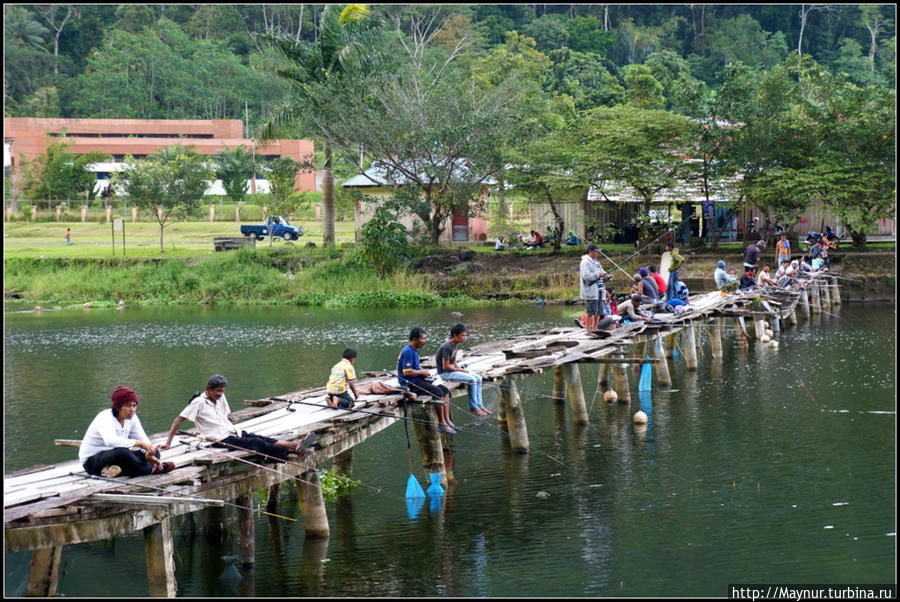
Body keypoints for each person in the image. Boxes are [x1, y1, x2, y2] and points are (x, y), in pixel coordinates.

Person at [161, 374, 303, 462]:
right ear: (209, 389)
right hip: (219, 439)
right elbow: (178, 420)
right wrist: (168, 443)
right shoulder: (198, 402)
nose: (221, 394)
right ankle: (290, 450)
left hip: (231, 431)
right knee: (256, 443)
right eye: (218, 391)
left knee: (258, 437)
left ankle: (290, 444)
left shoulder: (220, 397)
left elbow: (224, 416)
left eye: (222, 391)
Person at [79, 386, 174, 478]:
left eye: (134, 405)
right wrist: (139, 444)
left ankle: (115, 471)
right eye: (128, 406)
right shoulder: (105, 417)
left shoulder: (132, 417)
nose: (132, 409)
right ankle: (152, 469)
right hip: (92, 462)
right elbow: (110, 441)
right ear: (118, 407)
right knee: (123, 452)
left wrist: (149, 454)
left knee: (155, 452)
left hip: (115, 458)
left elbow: (143, 440)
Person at [398, 327, 456, 435]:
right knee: (438, 392)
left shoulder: (415, 351)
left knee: (445, 390)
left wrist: (423, 371)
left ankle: (447, 420)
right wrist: (422, 372)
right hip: (410, 384)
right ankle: (442, 423)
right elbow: (407, 372)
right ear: (415, 339)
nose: (425, 341)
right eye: (423, 339)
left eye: (425, 338)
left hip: (418, 380)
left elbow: (415, 368)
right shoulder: (408, 351)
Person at [436, 323, 489, 416]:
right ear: (454, 336)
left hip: (452, 371)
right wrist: (461, 371)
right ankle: (474, 407)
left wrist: (460, 368)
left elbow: (453, 362)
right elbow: (446, 367)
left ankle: (480, 405)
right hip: (445, 373)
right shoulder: (446, 346)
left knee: (478, 378)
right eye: (462, 336)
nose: (465, 338)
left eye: (465, 336)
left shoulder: (455, 345)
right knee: (472, 379)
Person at [579, 243, 608, 331]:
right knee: (590, 311)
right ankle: (588, 329)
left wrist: (606, 277)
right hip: (591, 290)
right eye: (596, 252)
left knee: (599, 311)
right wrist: (598, 274)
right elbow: (586, 276)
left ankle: (595, 328)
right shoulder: (585, 262)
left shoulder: (597, 262)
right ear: (591, 251)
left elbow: (602, 272)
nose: (597, 254)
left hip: (600, 290)